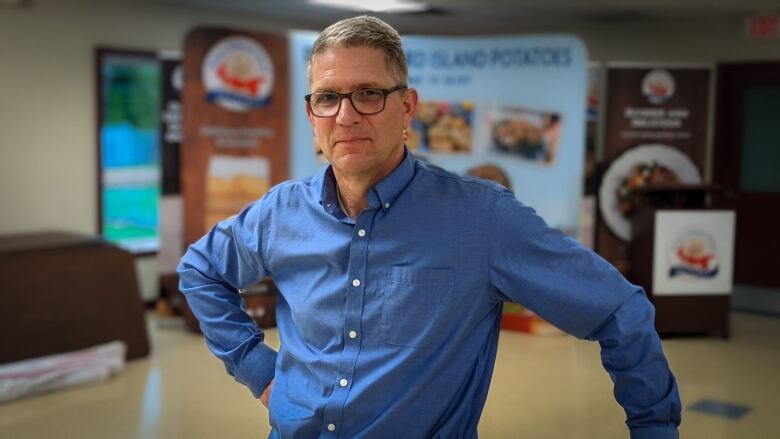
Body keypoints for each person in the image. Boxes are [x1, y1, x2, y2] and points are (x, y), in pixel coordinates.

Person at [177, 15, 681, 439]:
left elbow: (619, 309)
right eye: (328, 97)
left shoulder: (482, 219)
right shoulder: (279, 213)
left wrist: (655, 427)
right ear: (312, 114)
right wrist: (258, 371)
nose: (346, 115)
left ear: (407, 107)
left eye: (368, 93)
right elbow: (200, 270)